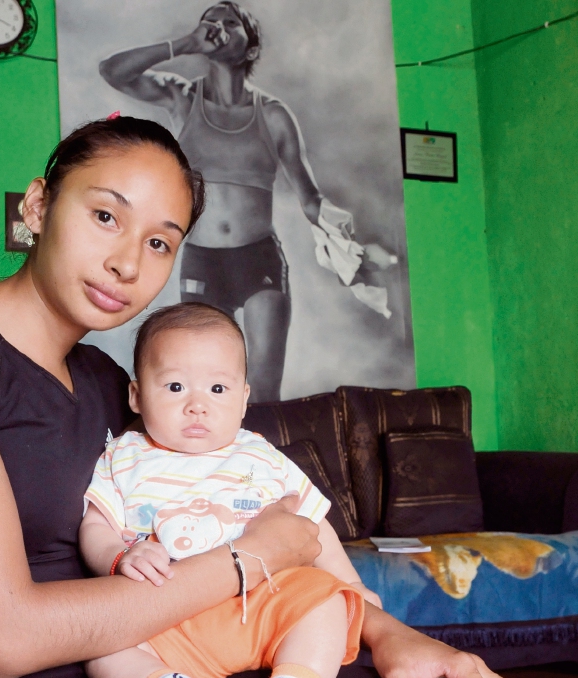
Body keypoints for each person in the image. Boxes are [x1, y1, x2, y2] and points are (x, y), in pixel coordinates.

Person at [0, 115, 547, 678]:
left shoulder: (104, 383)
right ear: (38, 203)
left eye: (159, 243)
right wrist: (253, 558)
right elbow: (5, 636)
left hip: (162, 663)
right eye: (105, 217)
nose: (127, 262)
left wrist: (390, 634)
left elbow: (198, 497)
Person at [80, 302, 383, 678]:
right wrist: (120, 555)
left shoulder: (260, 455)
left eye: (217, 388)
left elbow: (312, 525)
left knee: (325, 599)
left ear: (243, 398)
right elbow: (96, 525)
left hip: (263, 605)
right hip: (163, 616)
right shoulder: (124, 456)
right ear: (137, 397)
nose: (197, 405)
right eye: (176, 386)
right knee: (98, 641)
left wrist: (352, 583)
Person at [99, 1, 398, 402]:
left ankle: (259, 465)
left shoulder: (273, 115)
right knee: (202, 385)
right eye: (208, 21)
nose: (216, 27)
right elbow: (113, 71)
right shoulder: (182, 98)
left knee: (261, 389)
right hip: (203, 258)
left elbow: (311, 199)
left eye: (229, 22)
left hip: (258, 259)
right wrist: (185, 43)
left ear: (250, 48)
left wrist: (347, 245)